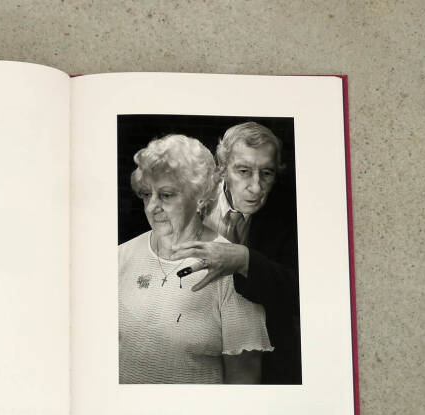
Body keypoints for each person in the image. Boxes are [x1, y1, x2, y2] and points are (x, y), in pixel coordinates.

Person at [118, 134, 272, 384]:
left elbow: (244, 377)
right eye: (146, 194)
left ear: (200, 196)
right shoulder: (121, 256)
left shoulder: (231, 269)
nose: (152, 206)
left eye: (166, 195)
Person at [170, 122, 300, 384]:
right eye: (243, 171)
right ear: (222, 168)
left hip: (259, 351)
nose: (256, 187)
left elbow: (300, 291)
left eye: (266, 173)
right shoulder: (188, 197)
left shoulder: (293, 211)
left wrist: (244, 260)